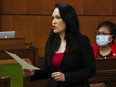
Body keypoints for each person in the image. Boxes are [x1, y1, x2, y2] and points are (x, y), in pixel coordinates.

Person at [23, 3, 96, 87]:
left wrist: (66, 77)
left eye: (58, 18)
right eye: (53, 18)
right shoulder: (51, 42)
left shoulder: (82, 41)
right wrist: (33, 73)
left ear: (68, 19)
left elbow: (90, 70)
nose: (53, 22)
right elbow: (48, 71)